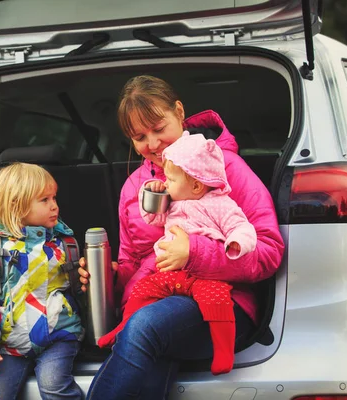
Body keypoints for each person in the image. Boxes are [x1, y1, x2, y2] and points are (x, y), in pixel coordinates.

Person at [77, 75, 285, 399]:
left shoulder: (225, 167)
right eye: (139, 137)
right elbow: (132, 262)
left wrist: (196, 253)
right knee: (148, 336)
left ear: (179, 111)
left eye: (159, 129)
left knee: (145, 327)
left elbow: (269, 251)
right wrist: (109, 277)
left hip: (223, 303)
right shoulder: (134, 188)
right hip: (155, 301)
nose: (153, 144)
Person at [97, 132, 257, 376]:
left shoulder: (220, 203)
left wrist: (234, 244)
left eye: (170, 179)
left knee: (217, 302)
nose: (167, 182)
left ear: (195, 184)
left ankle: (223, 351)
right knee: (142, 292)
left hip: (206, 276)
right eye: (140, 136)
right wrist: (151, 192)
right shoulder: (173, 201)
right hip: (172, 274)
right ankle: (123, 328)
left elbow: (241, 227)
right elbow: (152, 218)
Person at [0, 162, 85, 400]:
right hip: (9, 346)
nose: (54, 206)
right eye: (44, 200)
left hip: (57, 336)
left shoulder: (63, 244)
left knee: (53, 385)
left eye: (54, 198)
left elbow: (77, 288)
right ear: (16, 206)